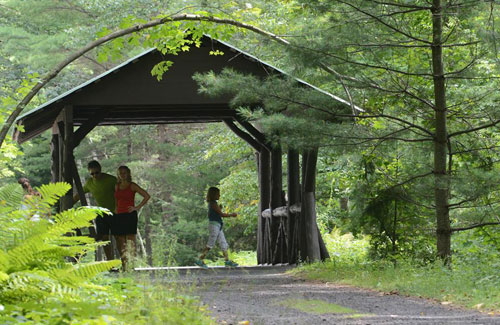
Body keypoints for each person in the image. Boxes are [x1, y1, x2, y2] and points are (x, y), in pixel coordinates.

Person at [73, 160, 116, 261]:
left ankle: (125, 263)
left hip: (114, 212)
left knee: (119, 237)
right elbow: (79, 195)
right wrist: (67, 205)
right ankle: (110, 262)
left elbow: (122, 191)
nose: (95, 175)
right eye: (92, 173)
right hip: (101, 213)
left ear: (100, 170)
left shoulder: (111, 180)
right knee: (104, 238)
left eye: (97, 173)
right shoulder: (90, 183)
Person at [113, 165, 150, 271]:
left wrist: (136, 207)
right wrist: (116, 208)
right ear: (118, 175)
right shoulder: (117, 186)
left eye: (124, 173)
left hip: (130, 215)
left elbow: (146, 196)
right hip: (119, 215)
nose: (122, 175)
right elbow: (116, 199)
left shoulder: (132, 185)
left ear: (128, 173)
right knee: (121, 240)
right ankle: (124, 264)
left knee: (130, 240)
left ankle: (131, 265)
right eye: (120, 173)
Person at [195, 187, 239, 269]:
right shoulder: (213, 204)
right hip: (214, 225)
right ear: (214, 194)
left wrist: (219, 209)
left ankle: (227, 261)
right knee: (211, 243)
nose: (219, 195)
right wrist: (231, 215)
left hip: (218, 225)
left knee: (223, 243)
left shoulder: (213, 204)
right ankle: (200, 260)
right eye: (218, 194)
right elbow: (222, 215)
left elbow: (212, 214)